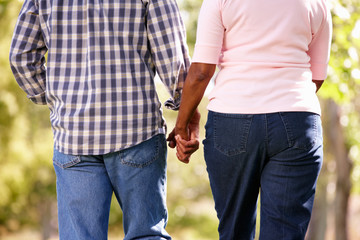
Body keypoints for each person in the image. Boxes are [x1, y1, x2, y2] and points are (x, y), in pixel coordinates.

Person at [9, 0, 194, 239]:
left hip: (73, 135)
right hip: (136, 130)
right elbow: (172, 58)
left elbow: (20, 56)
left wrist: (55, 99)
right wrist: (186, 113)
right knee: (147, 234)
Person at [171, 0, 332, 239]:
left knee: (234, 229)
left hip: (232, 118)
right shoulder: (318, 3)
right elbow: (317, 76)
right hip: (298, 119)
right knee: (285, 231)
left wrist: (182, 125)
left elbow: (202, 72)